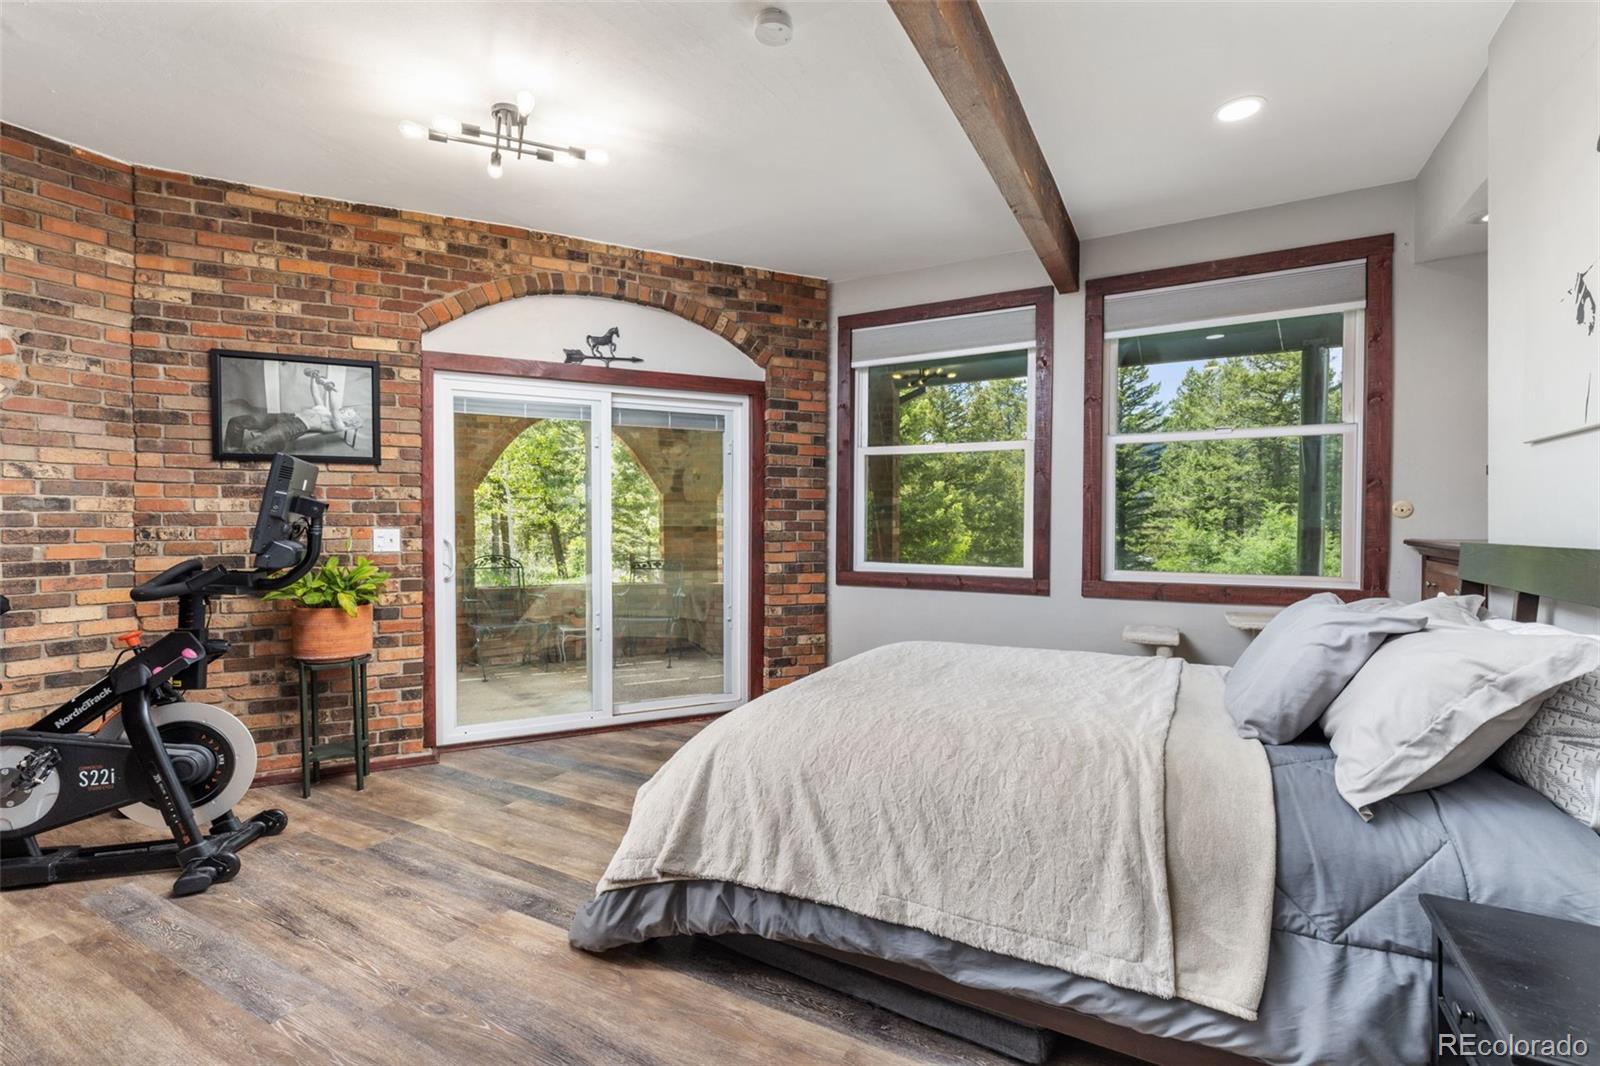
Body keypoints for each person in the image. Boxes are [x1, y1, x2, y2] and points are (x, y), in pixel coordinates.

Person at [224, 368, 363, 454]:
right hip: (285, 416)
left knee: (251, 446)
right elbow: (315, 394)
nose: (346, 410)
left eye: (349, 413)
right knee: (236, 422)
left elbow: (334, 410)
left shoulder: (337, 424)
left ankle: (237, 463)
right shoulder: (323, 409)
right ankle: (231, 451)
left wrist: (330, 390)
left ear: (348, 421)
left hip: (294, 427)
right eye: (348, 410)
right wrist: (314, 378)